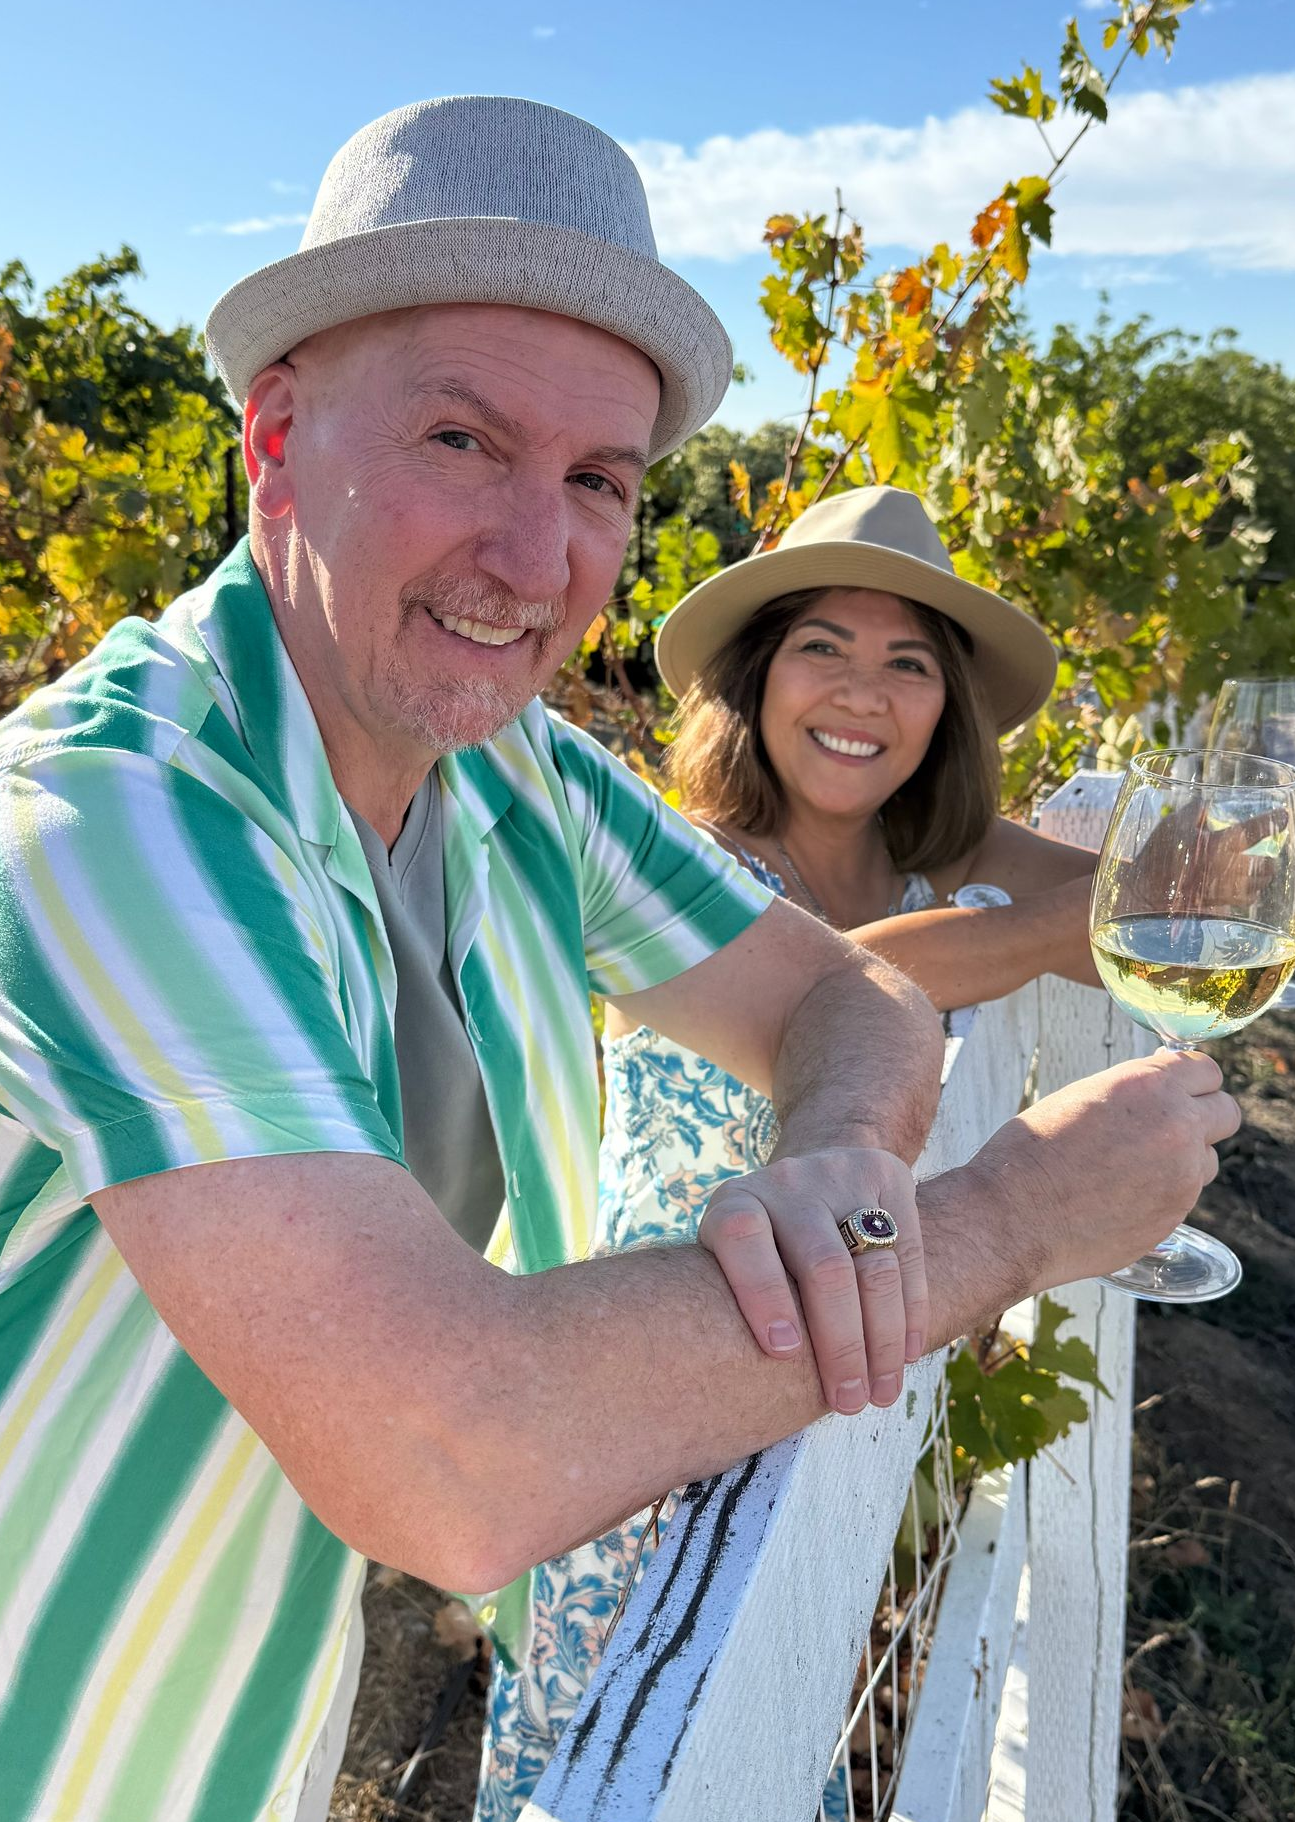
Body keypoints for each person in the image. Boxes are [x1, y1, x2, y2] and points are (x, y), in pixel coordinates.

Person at [0, 99, 1239, 1822]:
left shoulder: (508, 773)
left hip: (243, 1692)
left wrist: (843, 1161)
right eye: (464, 439)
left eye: (599, 482)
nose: (539, 561)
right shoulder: (114, 818)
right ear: (277, 434)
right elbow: (450, 1449)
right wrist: (1004, 1221)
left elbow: (851, 990)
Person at [477, 485, 1112, 1818]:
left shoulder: (920, 856)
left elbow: (1137, 886)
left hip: (817, 1412)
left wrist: (1216, 867)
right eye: (825, 645)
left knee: (770, 1743)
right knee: (632, 1770)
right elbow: (852, 980)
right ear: (759, 675)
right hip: (648, 1427)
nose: (863, 694)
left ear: (949, 708)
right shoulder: (689, 873)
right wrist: (1081, 928)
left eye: (909, 664)